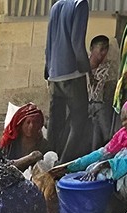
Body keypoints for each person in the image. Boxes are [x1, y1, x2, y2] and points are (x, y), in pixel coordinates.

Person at [45, 0, 90, 162]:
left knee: (55, 121)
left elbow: (48, 42)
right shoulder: (80, 4)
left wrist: (48, 70)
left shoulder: (56, 6)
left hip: (54, 73)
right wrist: (87, 69)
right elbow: (77, 42)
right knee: (79, 122)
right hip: (72, 73)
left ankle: (48, 160)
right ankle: (64, 164)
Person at [0, 102, 50, 171]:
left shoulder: (44, 146)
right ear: (21, 125)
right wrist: (31, 158)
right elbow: (2, 165)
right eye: (28, 122)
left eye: (35, 122)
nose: (31, 126)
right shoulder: (11, 144)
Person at [87, 35, 112, 149]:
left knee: (97, 113)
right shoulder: (82, 67)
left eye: (106, 49)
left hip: (99, 106)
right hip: (82, 105)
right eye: (101, 49)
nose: (103, 53)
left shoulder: (107, 68)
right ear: (91, 48)